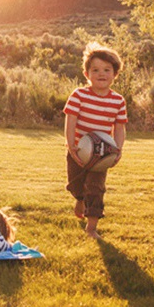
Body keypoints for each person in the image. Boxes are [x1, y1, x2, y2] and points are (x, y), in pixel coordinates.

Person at [64, 42, 127, 239]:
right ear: (87, 74)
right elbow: (70, 120)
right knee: (75, 183)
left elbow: (119, 127)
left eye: (107, 70)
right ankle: (79, 198)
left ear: (115, 74)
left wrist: (118, 149)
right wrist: (70, 145)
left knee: (96, 187)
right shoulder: (79, 95)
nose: (102, 74)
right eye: (96, 70)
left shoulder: (118, 101)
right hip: (78, 150)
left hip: (102, 154)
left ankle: (91, 227)